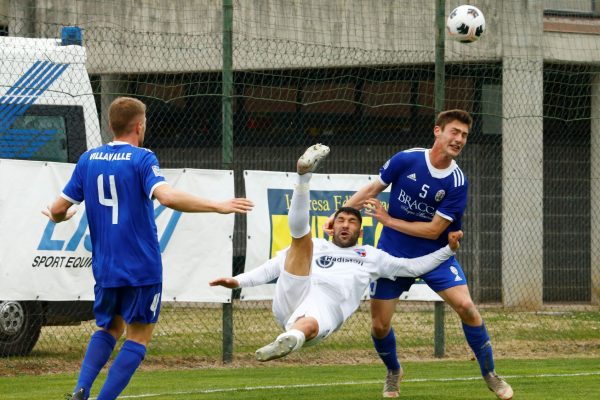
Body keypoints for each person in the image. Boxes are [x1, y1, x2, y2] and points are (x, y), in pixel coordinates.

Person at [43, 97, 254, 400]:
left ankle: (80, 390)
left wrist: (60, 216)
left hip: (106, 267)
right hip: (141, 267)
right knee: (137, 338)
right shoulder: (142, 158)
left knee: (108, 328)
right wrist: (217, 205)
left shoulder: (88, 159)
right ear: (140, 125)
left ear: (109, 125)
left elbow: (58, 209)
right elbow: (166, 197)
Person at [323, 109, 513, 399]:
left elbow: (433, 230)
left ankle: (491, 374)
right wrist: (341, 214)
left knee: (468, 308)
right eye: (454, 132)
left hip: (435, 256)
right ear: (438, 131)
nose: (459, 139)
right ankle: (393, 371)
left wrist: (387, 220)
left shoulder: (458, 181)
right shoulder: (407, 159)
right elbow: (374, 188)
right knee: (379, 325)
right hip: (392, 256)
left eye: (464, 135)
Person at [210, 144, 462, 362]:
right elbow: (274, 267)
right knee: (303, 241)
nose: (345, 225)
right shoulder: (319, 245)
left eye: (352, 222)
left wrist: (447, 250)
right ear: (332, 228)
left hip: (328, 307)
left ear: (361, 233)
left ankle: (289, 339)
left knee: (308, 323)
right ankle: (303, 176)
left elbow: (414, 268)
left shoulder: (372, 256)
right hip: (293, 294)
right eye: (340, 220)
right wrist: (238, 281)